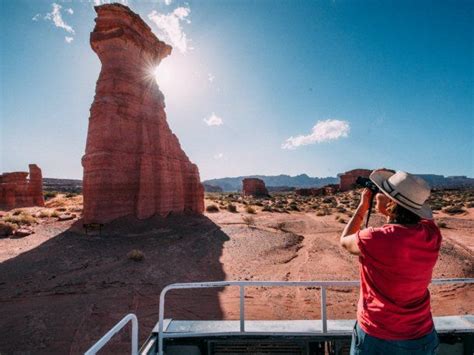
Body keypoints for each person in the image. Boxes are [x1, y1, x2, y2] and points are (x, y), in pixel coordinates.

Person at [340, 169, 442, 355]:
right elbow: (424, 218)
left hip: (378, 337)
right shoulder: (432, 234)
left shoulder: (375, 238)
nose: (377, 193)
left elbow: (345, 240)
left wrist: (362, 207)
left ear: (391, 203)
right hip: (422, 335)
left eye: (381, 192)